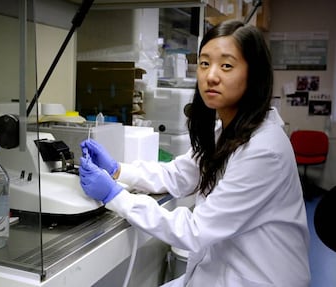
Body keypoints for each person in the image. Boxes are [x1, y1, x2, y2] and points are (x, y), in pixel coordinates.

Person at [79, 19, 310, 287]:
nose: (211, 75)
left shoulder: (264, 150)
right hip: (220, 272)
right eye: (204, 63)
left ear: (253, 75)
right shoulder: (226, 130)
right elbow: (178, 174)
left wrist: (115, 196)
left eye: (226, 65)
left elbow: (194, 230)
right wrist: (118, 170)